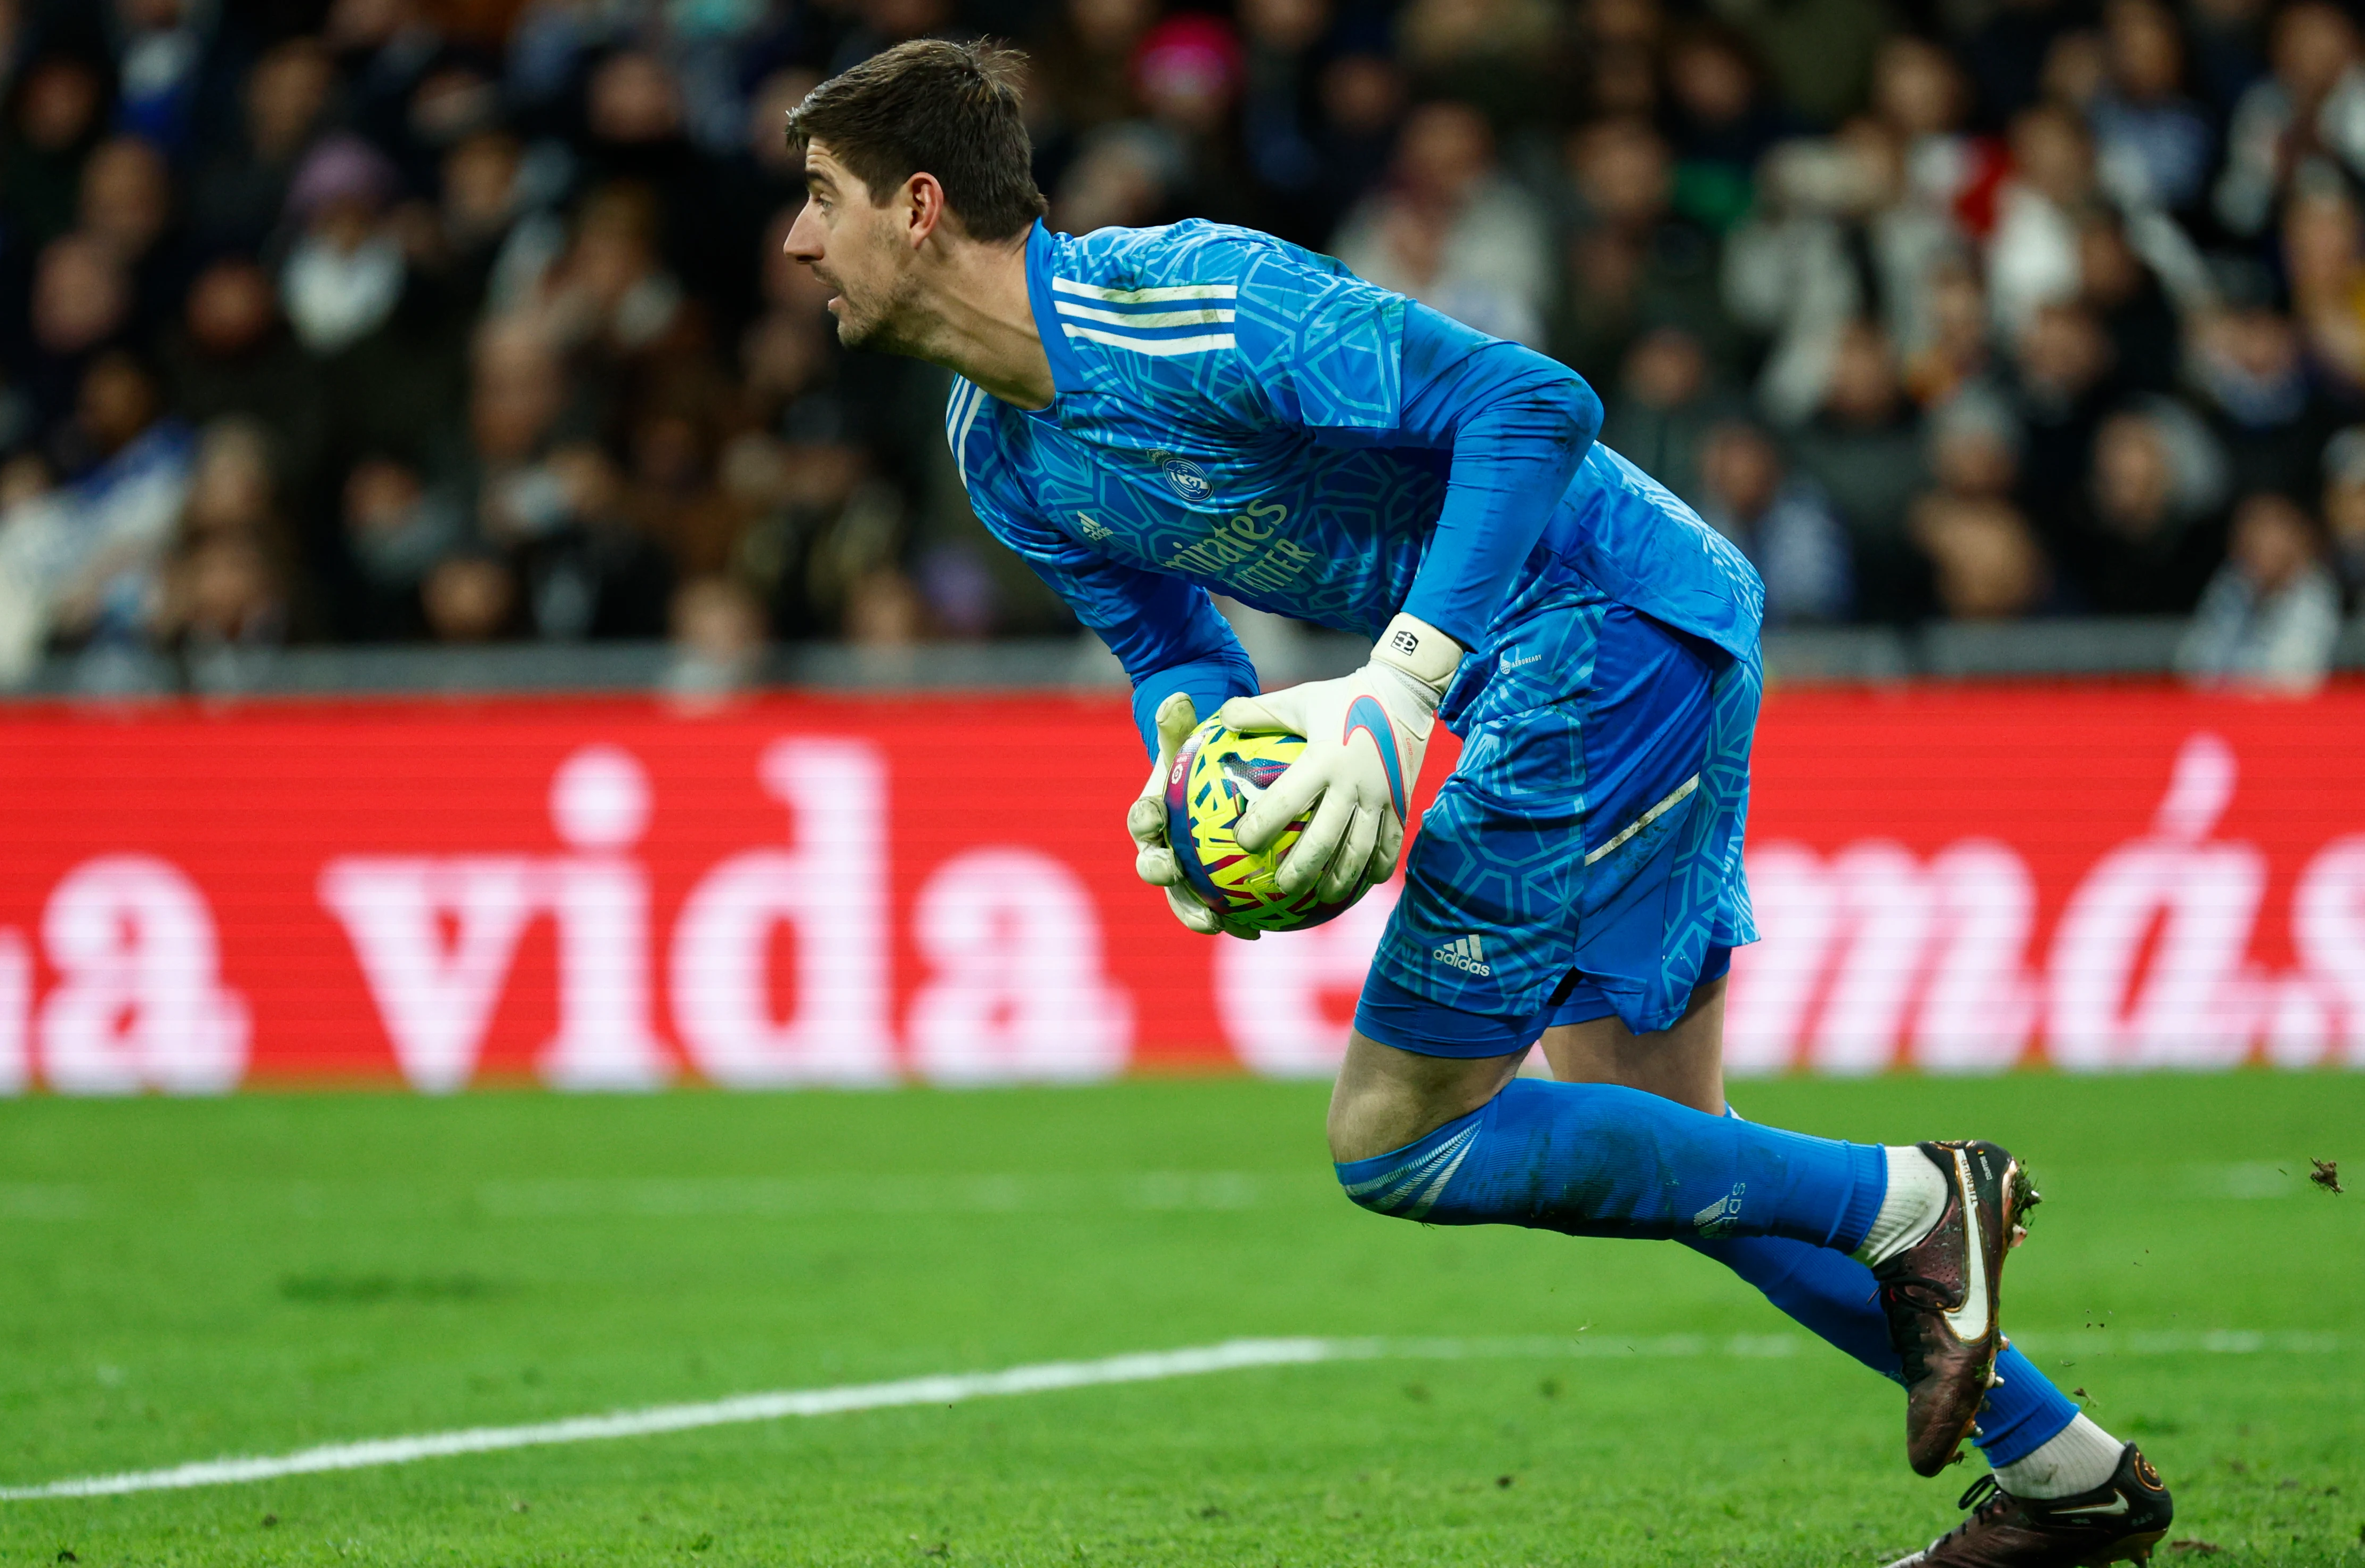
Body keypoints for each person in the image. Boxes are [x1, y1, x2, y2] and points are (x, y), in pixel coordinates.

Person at [779, 39, 2173, 1566]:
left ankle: (1915, 1195)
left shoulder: (1186, 303)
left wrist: (1397, 684)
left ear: (918, 206)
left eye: (820, 197)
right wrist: (1184, 771)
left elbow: (1531, 402)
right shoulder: (1001, 450)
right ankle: (2064, 1472)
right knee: (1670, 1151)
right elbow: (1172, 643)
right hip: (1619, 636)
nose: (797, 241)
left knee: (1398, 1137)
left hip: (1592, 632)